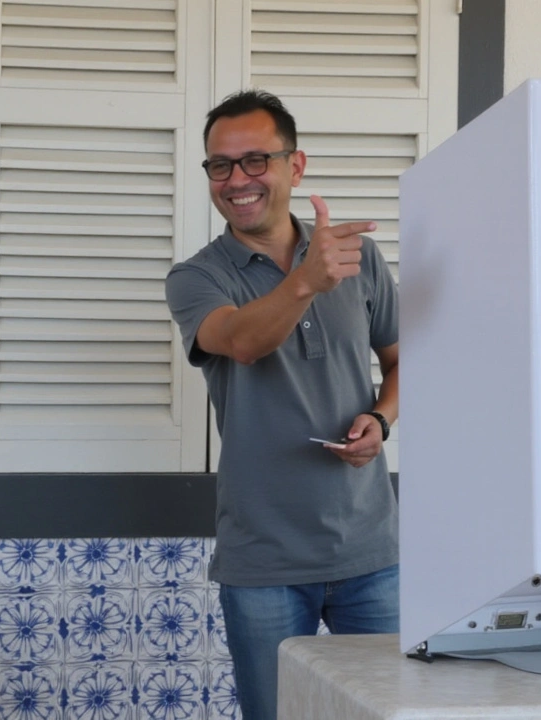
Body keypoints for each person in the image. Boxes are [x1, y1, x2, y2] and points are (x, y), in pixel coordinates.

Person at [164, 89, 400, 720]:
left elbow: (405, 360)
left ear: (295, 167)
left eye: (255, 160)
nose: (237, 179)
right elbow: (241, 342)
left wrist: (381, 419)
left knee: (388, 713)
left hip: (372, 554)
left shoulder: (358, 258)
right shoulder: (196, 277)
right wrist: (306, 280)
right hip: (262, 562)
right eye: (220, 165)